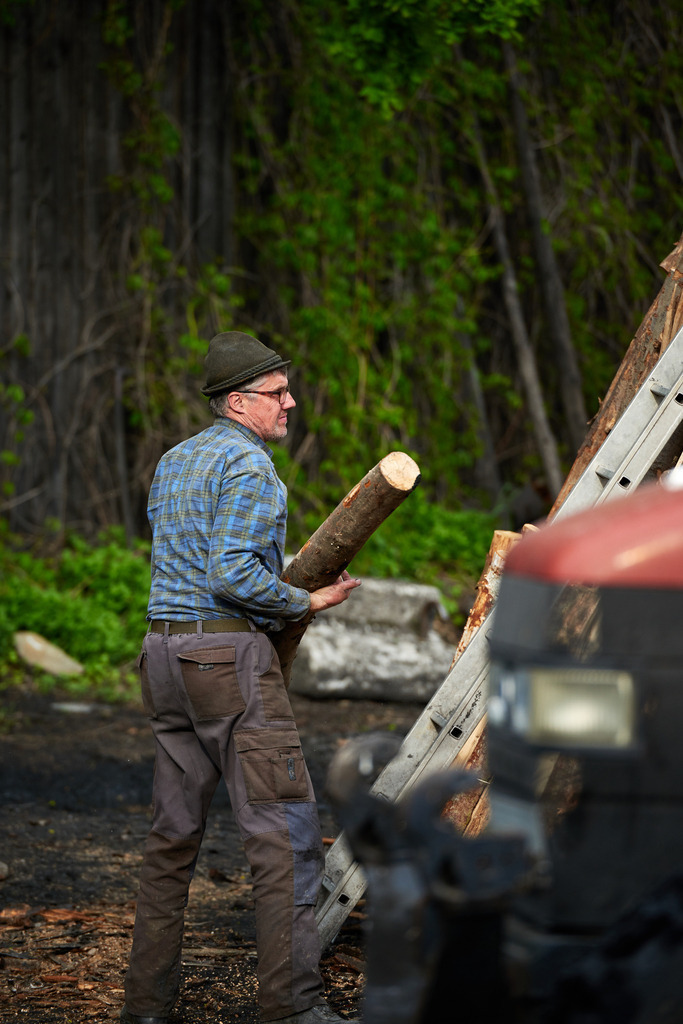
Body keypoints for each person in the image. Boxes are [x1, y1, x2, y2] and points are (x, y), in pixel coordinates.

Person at [120, 331, 361, 1024]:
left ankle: (145, 1007)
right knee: (284, 836)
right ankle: (292, 1010)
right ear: (237, 402)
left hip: (161, 658)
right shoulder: (250, 468)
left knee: (171, 839)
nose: (290, 403)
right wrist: (304, 600)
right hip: (225, 661)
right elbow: (231, 576)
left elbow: (191, 562)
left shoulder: (175, 461)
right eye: (275, 393)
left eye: (287, 389)